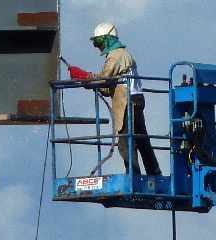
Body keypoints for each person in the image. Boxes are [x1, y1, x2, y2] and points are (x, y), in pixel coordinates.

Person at [68, 22, 162, 176]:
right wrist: (88, 82)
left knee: (126, 141)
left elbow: (104, 79)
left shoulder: (117, 55)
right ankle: (154, 172)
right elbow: (108, 87)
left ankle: (133, 175)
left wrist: (84, 76)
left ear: (107, 39)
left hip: (128, 102)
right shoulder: (119, 55)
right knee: (141, 139)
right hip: (133, 100)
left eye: (98, 42)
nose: (97, 46)